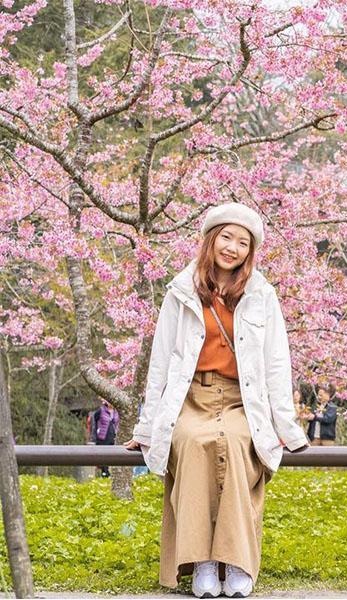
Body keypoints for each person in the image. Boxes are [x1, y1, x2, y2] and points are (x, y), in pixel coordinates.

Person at [123, 203, 309, 599]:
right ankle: (203, 562)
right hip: (192, 397)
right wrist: (146, 427)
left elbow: (277, 363)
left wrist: (286, 427)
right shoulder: (180, 291)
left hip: (244, 400)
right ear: (211, 240)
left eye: (243, 242)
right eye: (227, 237)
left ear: (250, 252)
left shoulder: (262, 295)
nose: (233, 248)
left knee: (241, 448)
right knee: (192, 444)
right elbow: (161, 360)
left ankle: (236, 561)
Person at [91, 399, 119, 477]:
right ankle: (104, 472)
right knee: (104, 454)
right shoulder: (100, 411)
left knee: (112, 454)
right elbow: (94, 424)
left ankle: (110, 472)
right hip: (103, 436)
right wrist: (94, 436)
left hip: (113, 435)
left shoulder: (116, 412)